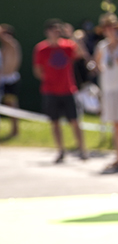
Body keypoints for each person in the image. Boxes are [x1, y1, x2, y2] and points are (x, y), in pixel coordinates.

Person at [32, 19, 87, 163]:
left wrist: (73, 37)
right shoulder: (41, 49)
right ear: (47, 32)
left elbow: (81, 54)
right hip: (50, 91)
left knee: (75, 121)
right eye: (53, 30)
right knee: (55, 122)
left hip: (68, 90)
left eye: (58, 30)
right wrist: (51, 79)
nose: (56, 33)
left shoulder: (68, 46)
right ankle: (60, 150)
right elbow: (38, 70)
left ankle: (82, 150)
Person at [94, 13, 118, 173]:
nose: (110, 31)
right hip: (109, 89)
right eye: (106, 28)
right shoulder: (101, 47)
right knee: (116, 125)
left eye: (112, 27)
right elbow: (97, 65)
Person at [0, 24, 22, 140]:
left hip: (10, 81)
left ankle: (15, 131)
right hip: (2, 81)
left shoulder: (13, 45)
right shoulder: (3, 49)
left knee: (11, 105)